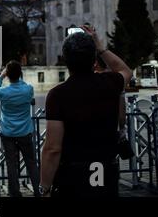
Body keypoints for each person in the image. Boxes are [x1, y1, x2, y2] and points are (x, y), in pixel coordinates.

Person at [40, 26, 132, 198]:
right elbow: (125, 70)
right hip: (106, 170)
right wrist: (101, 47)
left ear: (66, 60)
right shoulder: (110, 83)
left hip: (73, 174)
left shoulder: (58, 95)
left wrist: (44, 187)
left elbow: (52, 148)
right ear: (94, 60)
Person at [0, 60, 40, 197]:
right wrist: (18, 77)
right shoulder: (28, 89)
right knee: (31, 162)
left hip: (8, 132)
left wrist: (1, 76)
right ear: (20, 74)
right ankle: (38, 190)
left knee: (11, 164)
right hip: (25, 132)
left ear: (8, 74)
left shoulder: (3, 92)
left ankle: (15, 192)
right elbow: (24, 86)